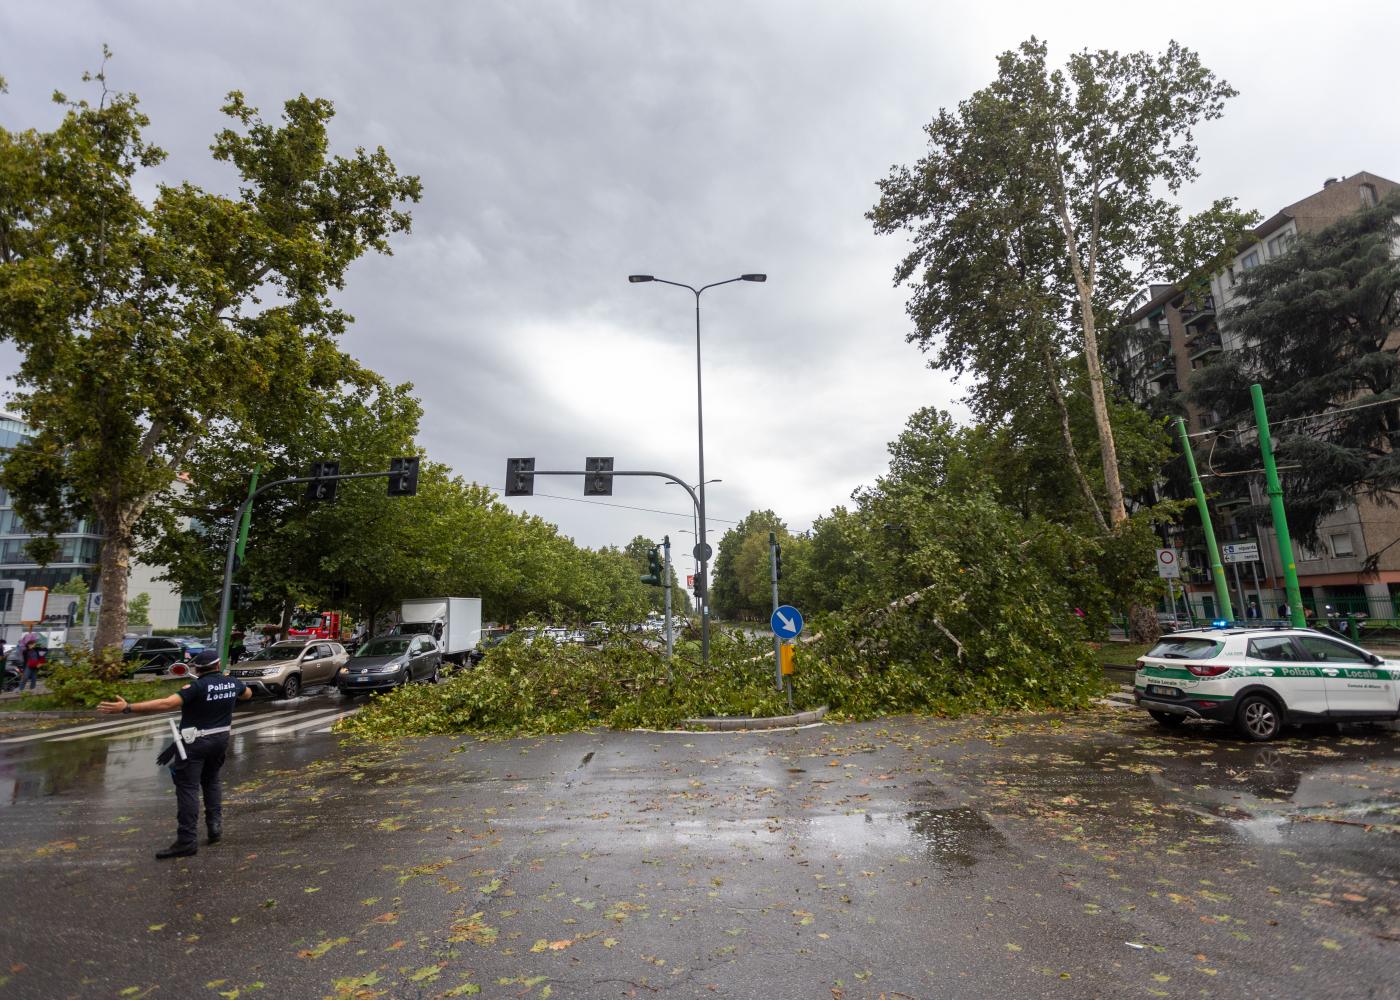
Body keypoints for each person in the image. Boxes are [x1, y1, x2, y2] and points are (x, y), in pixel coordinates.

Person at [98, 650, 252, 860]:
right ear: (218, 666)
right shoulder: (232, 682)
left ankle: (187, 841)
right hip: (220, 740)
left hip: (195, 742)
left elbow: (167, 703)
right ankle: (214, 827)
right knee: (211, 781)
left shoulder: (196, 687)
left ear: (197, 669)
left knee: (188, 788)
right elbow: (247, 694)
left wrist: (128, 707)